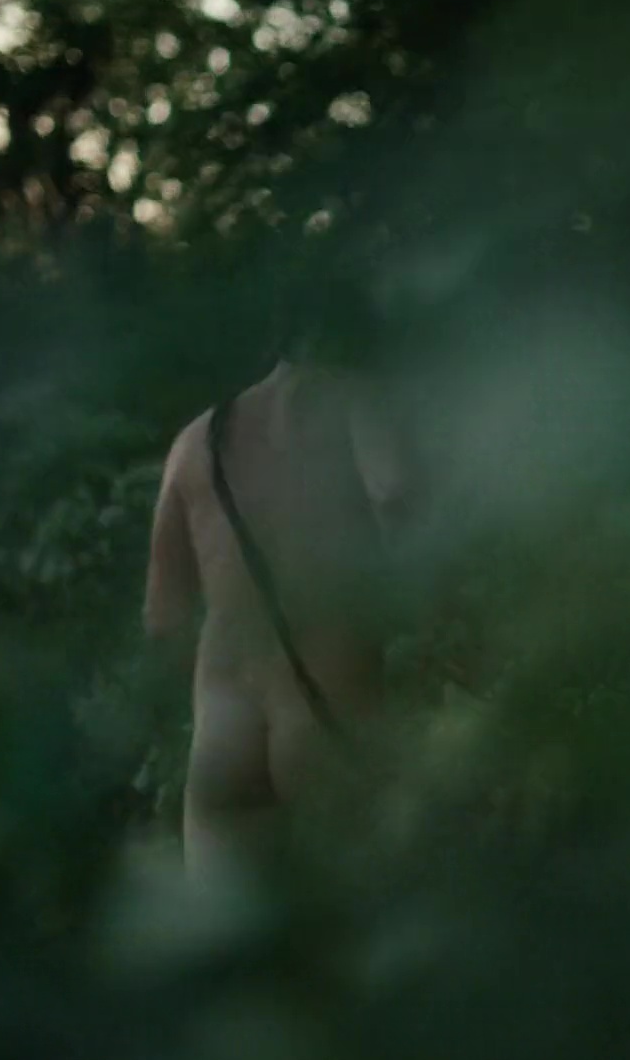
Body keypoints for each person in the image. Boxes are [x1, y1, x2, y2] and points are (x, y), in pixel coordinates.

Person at [141, 284, 422, 882]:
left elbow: (162, 618)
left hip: (222, 734)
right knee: (366, 925)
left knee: (231, 935)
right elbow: (395, 497)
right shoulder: (355, 402)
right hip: (329, 715)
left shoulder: (193, 442)